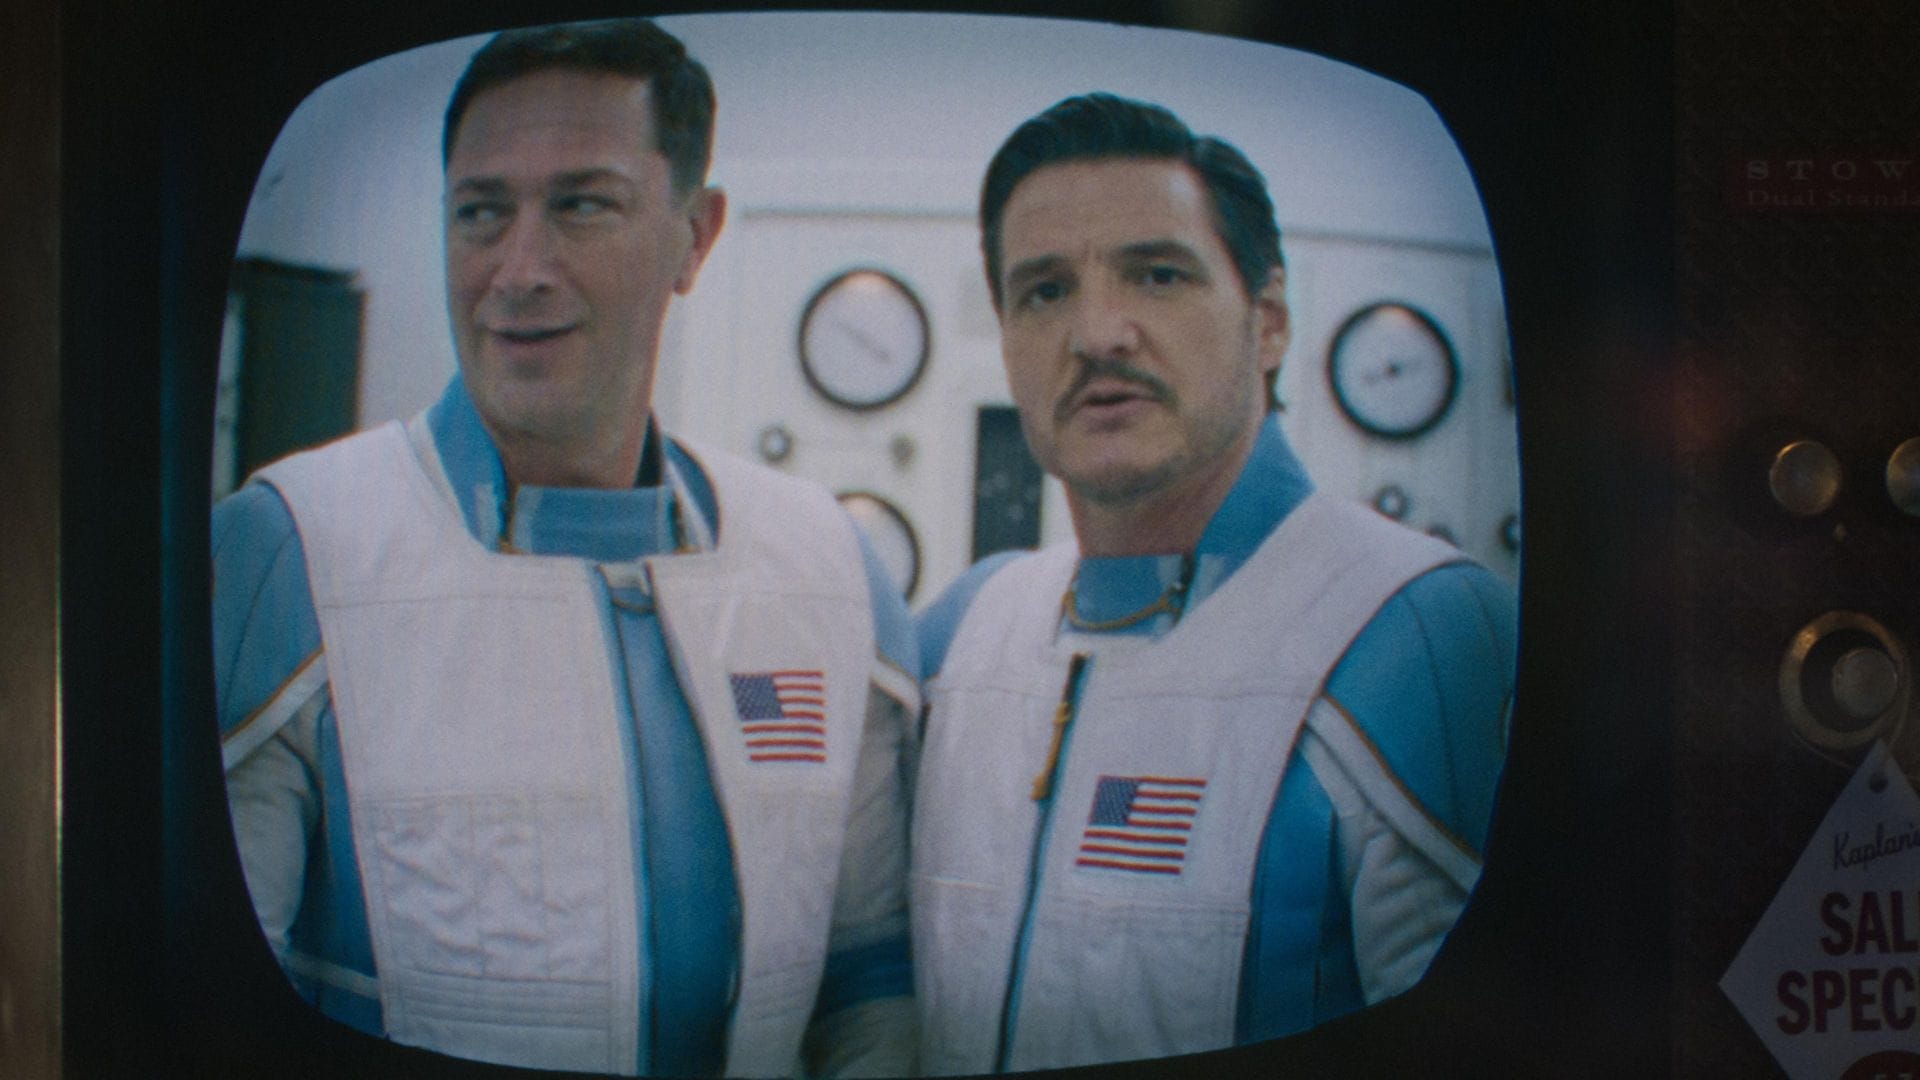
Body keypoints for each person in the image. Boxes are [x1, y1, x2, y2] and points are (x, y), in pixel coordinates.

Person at [212, 19, 916, 1078]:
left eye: (582, 204)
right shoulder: (290, 552)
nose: (519, 269)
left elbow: (869, 979)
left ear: (695, 235)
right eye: (481, 211)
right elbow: (205, 1006)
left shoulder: (826, 567)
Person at [909, 93, 1516, 1073]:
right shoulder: (965, 628)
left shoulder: (1418, 631)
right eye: (1045, 290)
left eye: (1158, 274)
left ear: (1267, 323)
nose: (1098, 333)